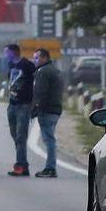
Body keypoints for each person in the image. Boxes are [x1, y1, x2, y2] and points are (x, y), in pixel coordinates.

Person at [3, 42, 37, 176]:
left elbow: (36, 81)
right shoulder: (11, 65)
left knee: (21, 136)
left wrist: (34, 102)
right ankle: (24, 164)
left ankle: (20, 166)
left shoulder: (27, 65)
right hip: (12, 104)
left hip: (24, 104)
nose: (6, 55)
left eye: (7, 52)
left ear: (14, 52)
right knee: (14, 135)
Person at [30, 47, 64, 178]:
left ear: (44, 58)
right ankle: (50, 167)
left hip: (46, 110)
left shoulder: (43, 72)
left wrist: (35, 108)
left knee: (49, 139)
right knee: (50, 138)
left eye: (37, 57)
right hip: (56, 109)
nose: (35, 60)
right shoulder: (56, 71)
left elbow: (40, 92)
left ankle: (50, 168)